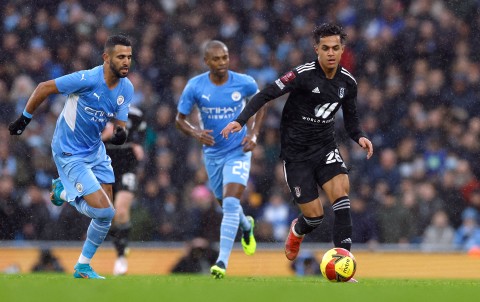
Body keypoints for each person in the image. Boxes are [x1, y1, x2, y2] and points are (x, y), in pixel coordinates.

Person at [221, 24, 373, 277]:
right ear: (317, 50)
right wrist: (240, 119)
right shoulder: (302, 75)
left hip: (325, 147)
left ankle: (345, 265)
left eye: (336, 48)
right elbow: (266, 94)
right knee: (315, 217)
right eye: (325, 48)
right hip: (296, 155)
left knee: (341, 194)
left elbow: (351, 120)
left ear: (342, 49)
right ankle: (298, 230)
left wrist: (360, 137)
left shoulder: (348, 82)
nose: (331, 53)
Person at [8, 34, 134, 279]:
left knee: (105, 215)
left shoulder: (126, 88)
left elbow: (119, 123)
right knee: (106, 212)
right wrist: (24, 119)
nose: (126, 61)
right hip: (69, 151)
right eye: (121, 57)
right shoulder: (87, 79)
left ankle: (83, 266)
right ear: (106, 58)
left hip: (96, 151)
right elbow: (44, 87)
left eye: (129, 57)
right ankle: (63, 193)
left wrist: (120, 133)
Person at [175, 40, 266, 279]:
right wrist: (195, 132)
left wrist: (254, 134)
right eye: (216, 59)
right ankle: (247, 226)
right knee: (226, 206)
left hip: (239, 151)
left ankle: (222, 262)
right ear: (206, 61)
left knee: (230, 205)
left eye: (225, 57)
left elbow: (261, 104)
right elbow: (179, 119)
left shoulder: (244, 82)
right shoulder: (195, 86)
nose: (222, 62)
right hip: (213, 155)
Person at [102, 105, 146, 275]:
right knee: (108, 215)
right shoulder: (98, 112)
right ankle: (122, 245)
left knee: (121, 210)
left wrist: (137, 144)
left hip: (127, 167)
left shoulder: (135, 114)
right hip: (105, 169)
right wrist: (101, 138)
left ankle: (121, 258)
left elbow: (141, 139)